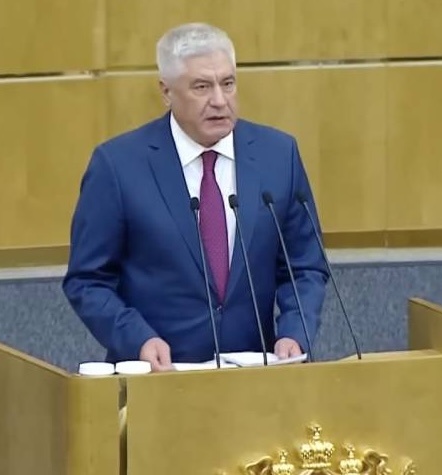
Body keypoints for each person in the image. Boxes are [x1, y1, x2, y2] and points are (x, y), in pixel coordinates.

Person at [62, 22, 329, 371]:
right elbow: (87, 280)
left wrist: (295, 331)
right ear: (166, 91)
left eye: (228, 83)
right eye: (202, 87)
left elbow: (305, 266)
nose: (219, 100)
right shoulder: (118, 166)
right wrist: (138, 339)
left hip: (255, 376)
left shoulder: (278, 155)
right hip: (160, 377)